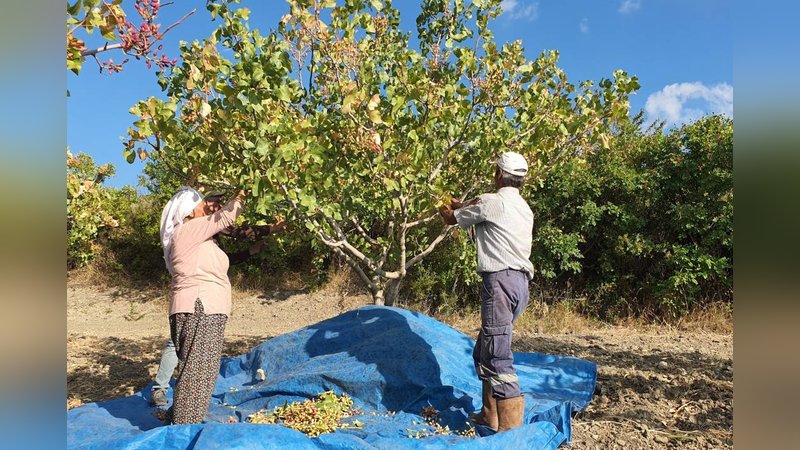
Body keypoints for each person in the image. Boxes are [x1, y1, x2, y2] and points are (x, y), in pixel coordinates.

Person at [149, 208, 286, 407]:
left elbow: (234, 239)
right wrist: (271, 227)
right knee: (178, 344)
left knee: (187, 346)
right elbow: (232, 227)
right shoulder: (193, 227)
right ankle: (162, 390)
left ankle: (183, 396)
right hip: (193, 294)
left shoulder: (207, 230)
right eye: (212, 204)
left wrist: (253, 248)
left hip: (202, 295)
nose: (216, 208)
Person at [438, 152, 534, 432]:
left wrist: (442, 206)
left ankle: (509, 433)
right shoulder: (523, 208)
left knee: (496, 357)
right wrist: (464, 205)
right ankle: (489, 415)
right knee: (483, 351)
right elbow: (477, 208)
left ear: (499, 174)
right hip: (520, 286)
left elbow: (451, 219)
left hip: (500, 283)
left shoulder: (491, 201)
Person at [157, 186, 252, 424]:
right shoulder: (188, 229)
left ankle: (176, 418)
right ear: (188, 211)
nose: (205, 208)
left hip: (196, 308)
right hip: (202, 308)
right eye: (201, 205)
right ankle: (183, 430)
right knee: (199, 373)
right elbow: (226, 216)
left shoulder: (194, 236)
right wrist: (241, 193)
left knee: (193, 371)